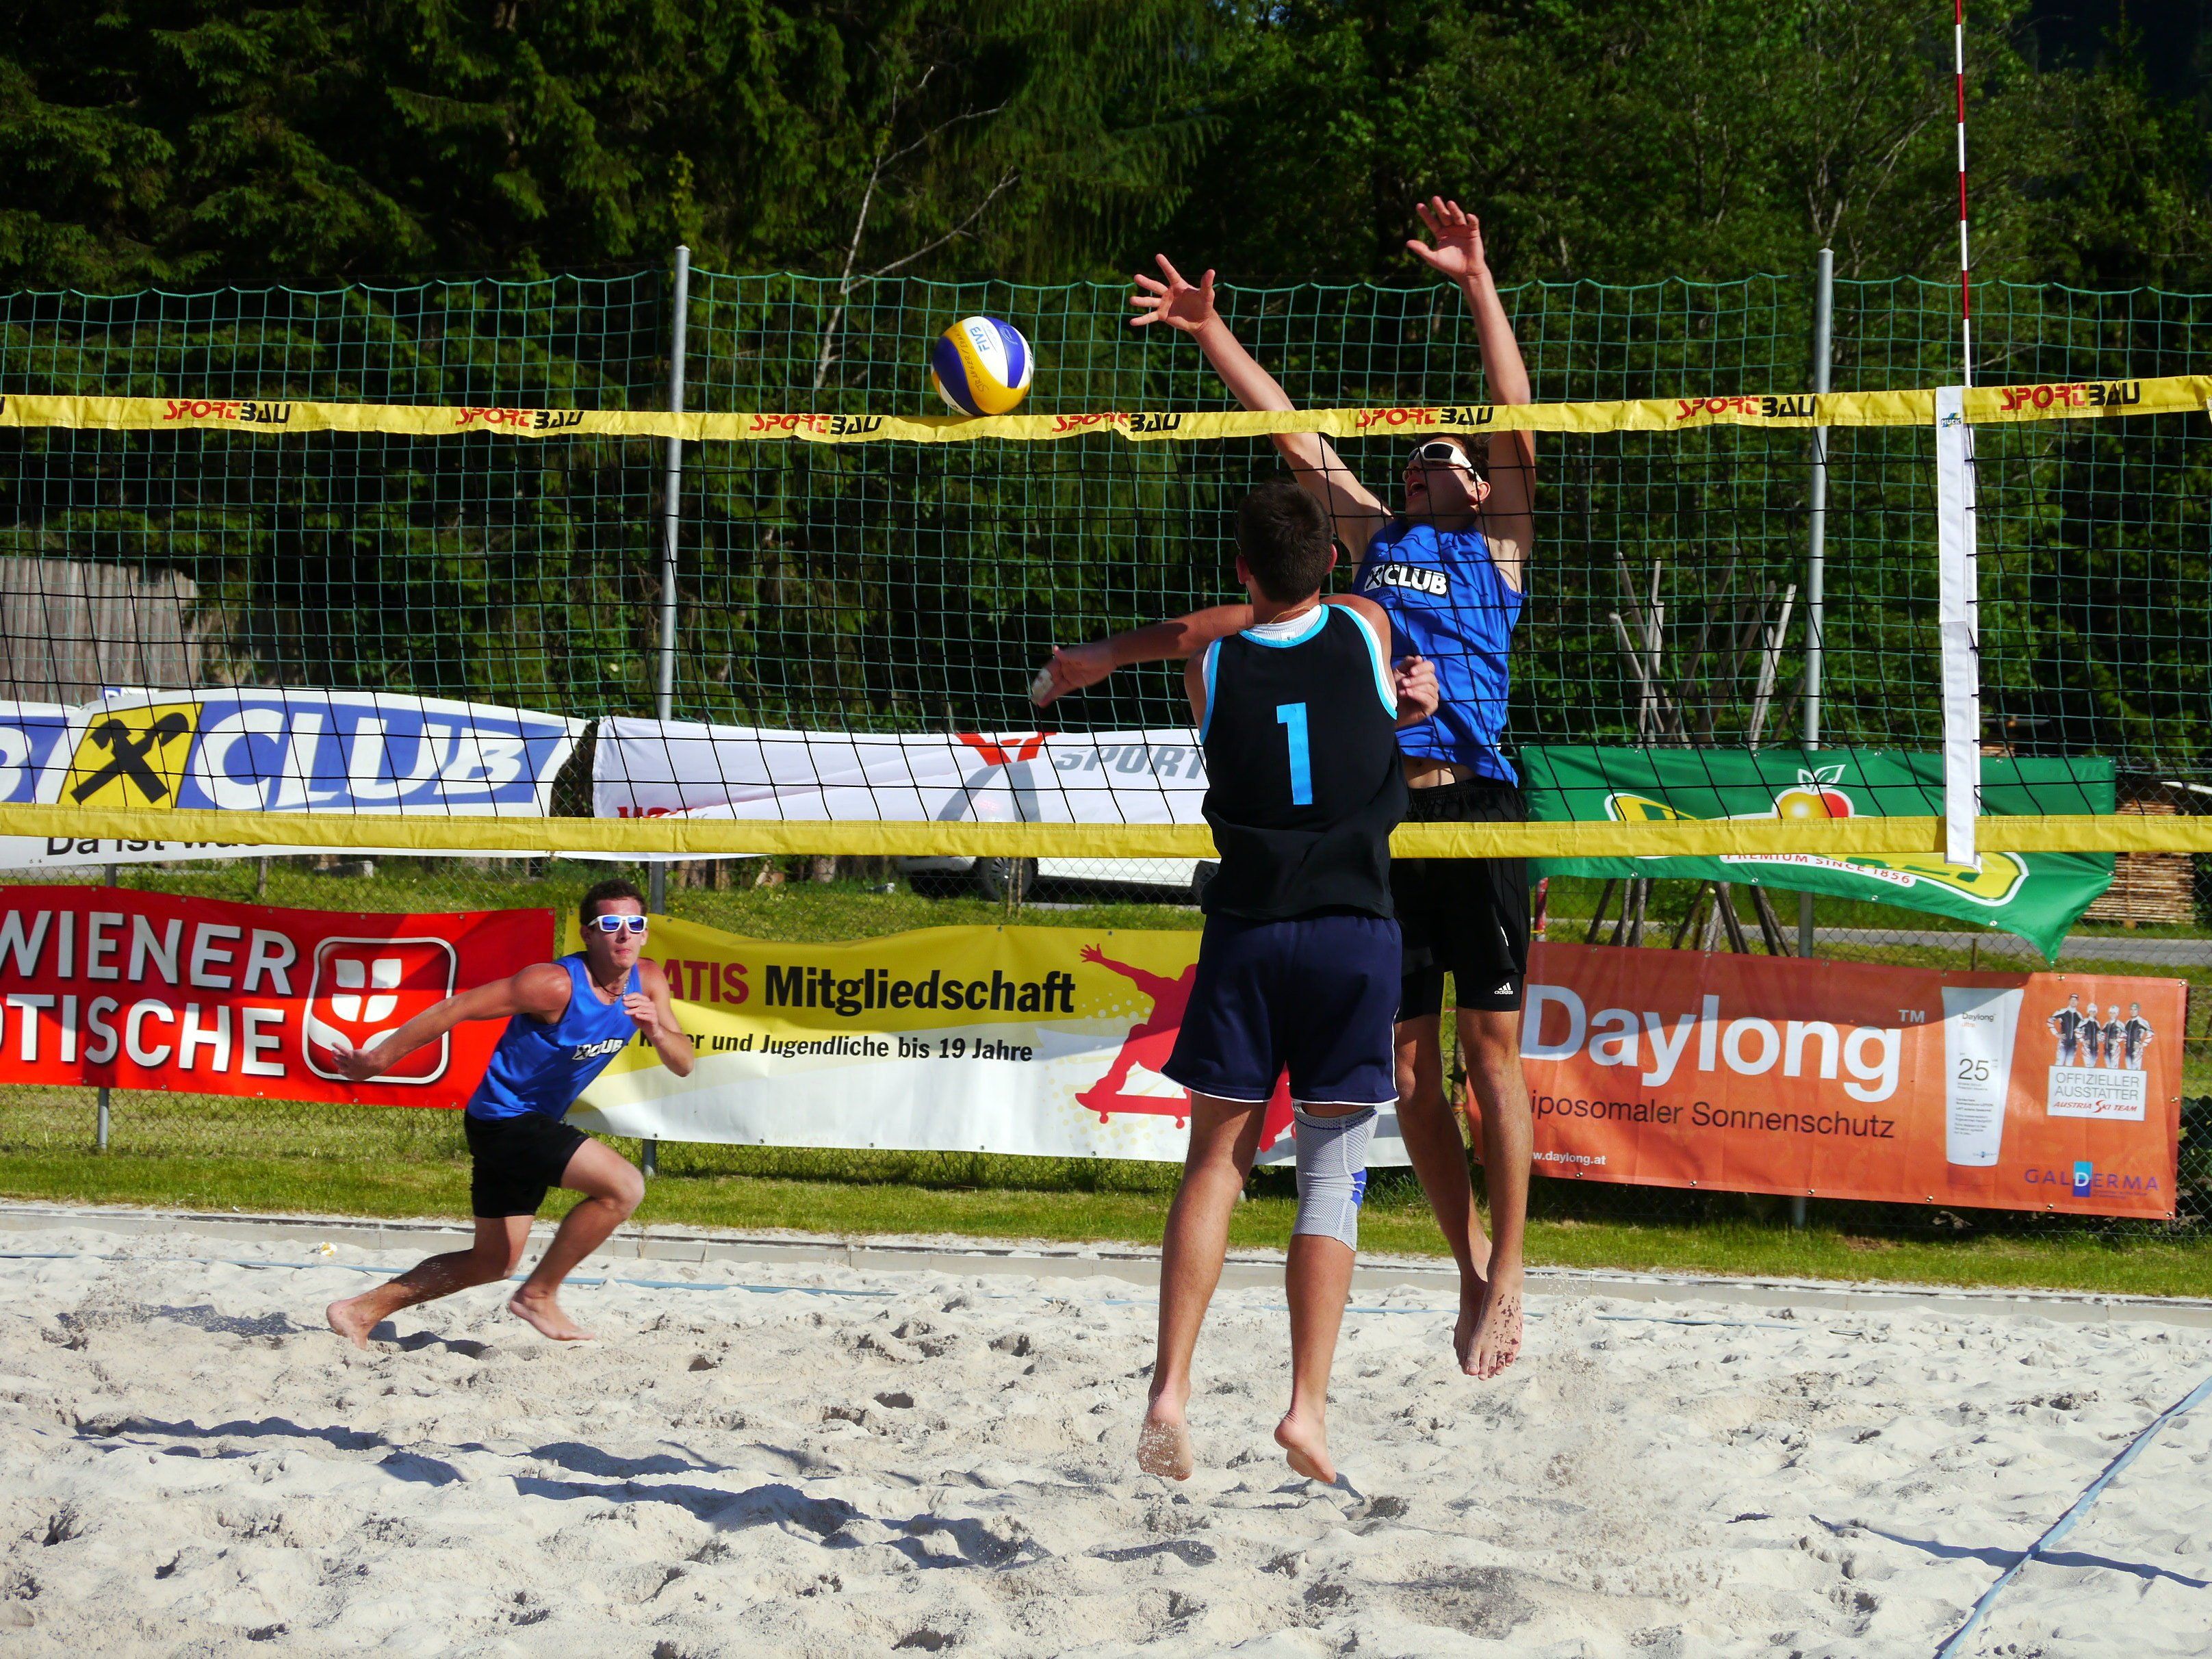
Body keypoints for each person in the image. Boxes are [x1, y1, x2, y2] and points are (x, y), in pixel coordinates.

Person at [1037, 197, 1536, 1379]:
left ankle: (1511, 1264)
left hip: (1478, 801)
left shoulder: (1498, 544)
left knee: (1489, 1053)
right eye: (1418, 456)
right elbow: (1290, 433)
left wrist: (1477, 280)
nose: (1429, 461)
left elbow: (1516, 412)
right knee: (1408, 1071)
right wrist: (1208, 329)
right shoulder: (1376, 540)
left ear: (1479, 487)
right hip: (1389, 818)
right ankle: (1467, 1260)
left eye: (1449, 456)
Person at [1118, 476, 1437, 1487]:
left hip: (1248, 932)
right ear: (1332, 563)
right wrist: (1408, 707)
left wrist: (1100, 655)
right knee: (1332, 1173)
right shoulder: (1367, 626)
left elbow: (1218, 635)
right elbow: (1348, 673)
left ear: (1241, 570)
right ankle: (1305, 1408)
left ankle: (1171, 1389)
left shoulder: (1208, 666)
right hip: (1352, 933)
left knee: (1215, 1163)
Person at [325, 879, 694, 1347]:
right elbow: (458, 1007)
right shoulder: (554, 985)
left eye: (634, 924)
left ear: (644, 933)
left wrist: (656, 1030)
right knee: (624, 1187)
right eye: (609, 924)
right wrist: (377, 1060)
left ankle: (360, 1311)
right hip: (506, 1120)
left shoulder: (649, 980)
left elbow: (684, 1063)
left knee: (492, 1262)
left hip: (527, 1122)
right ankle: (539, 1295)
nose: (624, 933)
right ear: (588, 933)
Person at [2047, 993, 2085, 1067]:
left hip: (2073, 1044)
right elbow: (2049, 1021)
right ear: (2069, 1001)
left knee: (2069, 1065)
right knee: (2059, 1063)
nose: (2073, 1002)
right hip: (2063, 1042)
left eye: (2075, 1000)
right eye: (2072, 1000)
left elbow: (2082, 1029)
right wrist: (2056, 1034)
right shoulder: (2062, 1011)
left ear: (2078, 1002)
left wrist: (2079, 1038)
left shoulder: (2079, 1015)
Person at [2122, 1001, 2155, 1071]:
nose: (2133, 1011)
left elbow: (2151, 1033)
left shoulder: (2142, 1021)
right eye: (2131, 1009)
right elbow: (2125, 1035)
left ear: (2138, 1010)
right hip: (2128, 1050)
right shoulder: (2128, 1022)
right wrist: (2125, 1043)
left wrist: (2143, 1045)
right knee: (2128, 1071)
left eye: (2135, 1009)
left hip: (2136, 1050)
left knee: (2136, 1071)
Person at [2079, 1003, 2104, 1068]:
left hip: (2095, 1047)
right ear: (2088, 1012)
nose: (2093, 1013)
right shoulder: (2084, 1021)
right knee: (2088, 1066)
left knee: (2093, 1066)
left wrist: (2100, 1039)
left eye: (2094, 1011)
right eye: (2091, 1011)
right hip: (2087, 1047)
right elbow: (2076, 1031)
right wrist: (2083, 1040)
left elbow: (2100, 1034)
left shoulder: (2097, 1023)